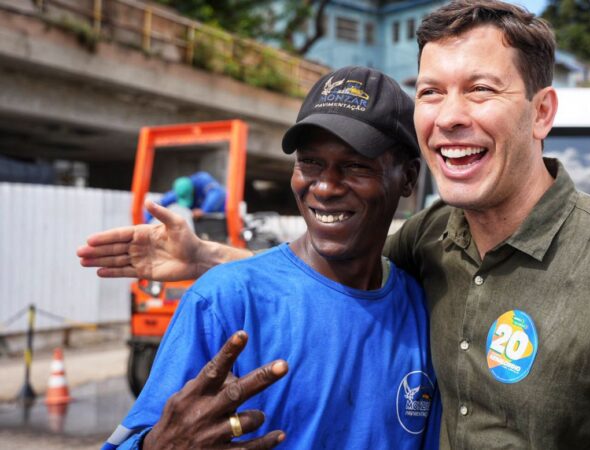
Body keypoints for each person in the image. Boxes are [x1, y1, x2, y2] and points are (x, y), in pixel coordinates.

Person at [79, 1, 590, 448]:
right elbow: (328, 273)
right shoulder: (432, 244)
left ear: (543, 112)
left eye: (482, 89)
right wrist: (207, 260)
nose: (451, 114)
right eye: (432, 92)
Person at [100, 66, 439, 449]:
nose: (324, 187)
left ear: (408, 178)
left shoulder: (423, 313)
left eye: (355, 165)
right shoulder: (225, 303)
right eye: (309, 163)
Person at [144, 171, 226, 223]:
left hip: (221, 213)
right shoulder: (178, 192)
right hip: (202, 222)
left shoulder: (202, 180)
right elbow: (156, 205)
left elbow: (217, 193)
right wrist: (145, 223)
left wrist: (204, 210)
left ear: (192, 190)